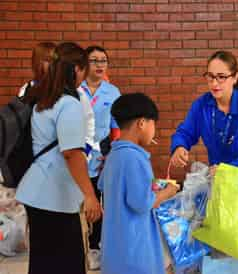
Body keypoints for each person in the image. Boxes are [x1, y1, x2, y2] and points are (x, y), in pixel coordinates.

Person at [15, 42, 102, 274]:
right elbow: (72, 153)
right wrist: (90, 195)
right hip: (56, 198)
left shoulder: (43, 100)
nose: (85, 76)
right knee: (67, 263)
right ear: (75, 69)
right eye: (84, 69)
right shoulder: (69, 104)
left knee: (43, 263)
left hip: (37, 192)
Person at [98, 93, 179, 274]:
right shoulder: (135, 157)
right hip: (136, 253)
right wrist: (168, 192)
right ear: (141, 123)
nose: (154, 130)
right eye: (153, 124)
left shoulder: (113, 155)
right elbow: (142, 203)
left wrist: (154, 185)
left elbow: (112, 186)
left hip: (115, 252)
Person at [170, 50, 238, 174]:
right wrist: (179, 147)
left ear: (235, 77)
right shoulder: (202, 106)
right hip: (218, 181)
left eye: (221, 77)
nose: (214, 83)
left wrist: (228, 170)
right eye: (210, 76)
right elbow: (185, 133)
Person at [19, 42, 98, 159]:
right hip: (37, 159)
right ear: (37, 63)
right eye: (46, 60)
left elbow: (88, 123)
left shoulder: (78, 94)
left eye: (53, 60)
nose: (50, 64)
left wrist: (85, 151)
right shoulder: (28, 90)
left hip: (63, 161)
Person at [80, 45, 121, 269]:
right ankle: (79, 245)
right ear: (85, 64)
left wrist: (113, 151)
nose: (99, 65)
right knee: (79, 203)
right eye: (94, 60)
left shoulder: (112, 92)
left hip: (102, 155)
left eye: (103, 61)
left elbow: (117, 126)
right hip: (77, 154)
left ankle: (96, 247)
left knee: (99, 202)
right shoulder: (76, 90)